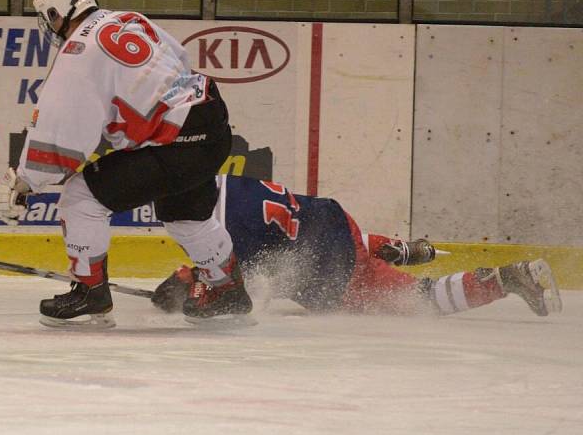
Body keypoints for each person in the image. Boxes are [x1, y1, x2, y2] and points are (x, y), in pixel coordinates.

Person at [0, 0, 253, 329]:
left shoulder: (78, 51)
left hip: (175, 141)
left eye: (47, 17)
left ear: (56, 13)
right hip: (210, 125)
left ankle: (90, 295)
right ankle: (228, 291)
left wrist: (23, 181)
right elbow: (177, 64)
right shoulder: (127, 19)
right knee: (187, 217)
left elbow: (61, 132)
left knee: (81, 198)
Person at [152, 175, 563, 318]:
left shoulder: (212, 229)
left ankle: (510, 278)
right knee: (309, 240)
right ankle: (392, 247)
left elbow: (245, 292)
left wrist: (188, 293)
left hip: (332, 269)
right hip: (334, 220)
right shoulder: (220, 182)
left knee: (423, 302)